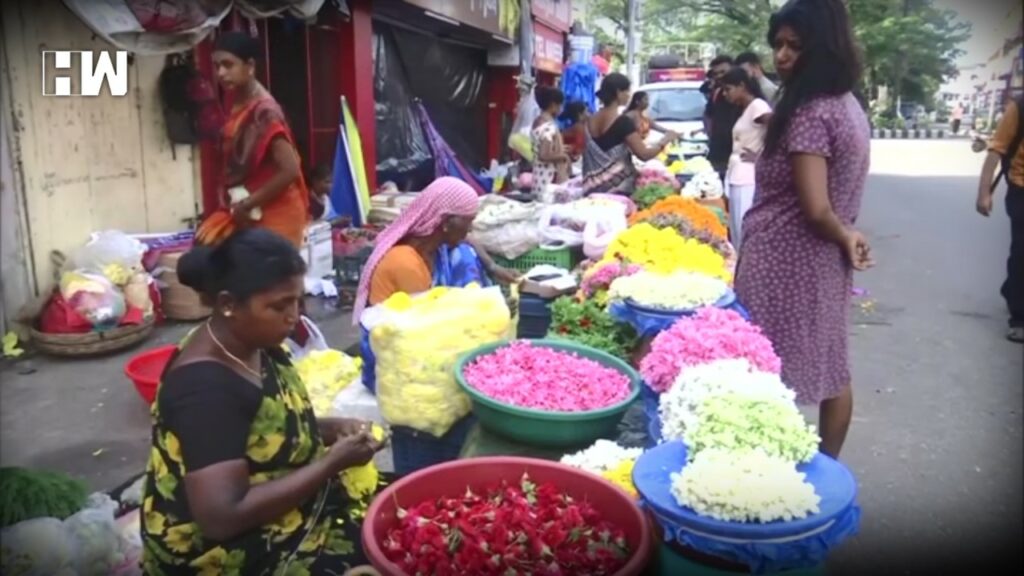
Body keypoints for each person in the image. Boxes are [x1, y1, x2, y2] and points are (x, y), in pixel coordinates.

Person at [141, 228, 390, 574]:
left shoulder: (252, 342)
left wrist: (333, 428)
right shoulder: (205, 390)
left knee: (412, 509)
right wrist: (331, 464)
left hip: (280, 510)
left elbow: (265, 428)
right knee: (390, 548)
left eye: (297, 301)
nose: (294, 316)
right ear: (228, 304)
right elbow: (221, 517)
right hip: (227, 553)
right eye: (279, 306)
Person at [734, 0, 873, 460]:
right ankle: (828, 473)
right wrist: (845, 234)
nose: (782, 56)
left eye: (795, 45)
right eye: (778, 44)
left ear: (823, 47)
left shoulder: (812, 111)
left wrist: (843, 233)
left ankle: (769, 470)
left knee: (768, 374)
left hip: (787, 265)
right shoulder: (846, 104)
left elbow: (816, 208)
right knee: (832, 367)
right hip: (820, 262)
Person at [354, 176, 517, 318]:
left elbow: (468, 239)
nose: (470, 229)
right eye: (468, 222)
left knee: (464, 253)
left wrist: (492, 266)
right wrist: (490, 313)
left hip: (423, 319)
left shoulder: (432, 244)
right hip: (401, 335)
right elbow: (429, 321)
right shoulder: (405, 261)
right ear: (446, 223)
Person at [210, 32, 310, 248]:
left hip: (275, 214)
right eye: (217, 66)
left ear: (250, 66)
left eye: (228, 65)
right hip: (249, 210)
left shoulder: (264, 111)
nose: (221, 73)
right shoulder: (239, 102)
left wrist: (246, 205)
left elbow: (290, 170)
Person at [976, 95, 1024, 343]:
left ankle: (1012, 289)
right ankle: (1019, 318)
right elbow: (997, 150)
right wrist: (984, 193)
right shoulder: (1020, 107)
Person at [582, 73, 679, 195]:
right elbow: (644, 155)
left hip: (591, 189)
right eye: (627, 91)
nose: (629, 95)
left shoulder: (589, 121)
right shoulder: (623, 122)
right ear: (618, 93)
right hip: (618, 190)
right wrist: (665, 140)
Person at [720, 67, 772, 247]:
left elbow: (779, 129)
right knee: (736, 229)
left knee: (744, 228)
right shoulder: (744, 109)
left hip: (748, 176)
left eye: (728, 89)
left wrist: (762, 156)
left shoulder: (758, 106)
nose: (725, 94)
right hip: (736, 172)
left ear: (741, 86)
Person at [703, 55, 743, 182]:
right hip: (717, 155)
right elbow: (708, 115)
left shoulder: (746, 97)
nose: (719, 76)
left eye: (723, 72)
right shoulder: (716, 94)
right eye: (716, 73)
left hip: (738, 158)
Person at [531, 86, 572, 190]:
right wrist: (564, 156)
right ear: (553, 105)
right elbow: (544, 155)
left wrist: (560, 148)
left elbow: (540, 146)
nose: (561, 109)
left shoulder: (538, 121)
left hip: (539, 178)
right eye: (560, 105)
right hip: (548, 181)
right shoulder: (548, 127)